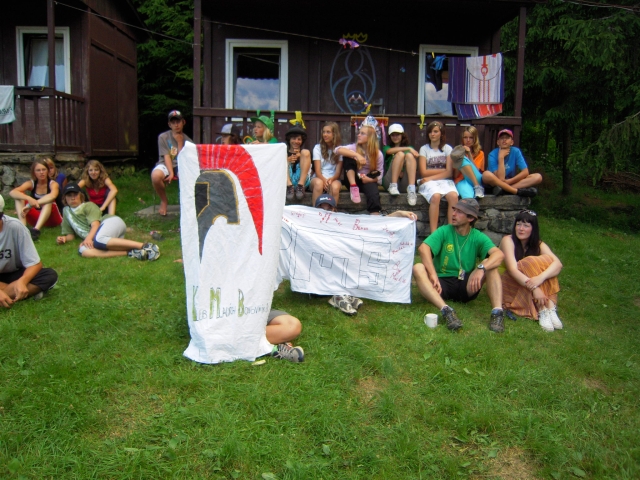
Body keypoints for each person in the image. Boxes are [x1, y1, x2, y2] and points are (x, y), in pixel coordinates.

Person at [412, 198, 506, 332]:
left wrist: (481, 268)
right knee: (418, 267)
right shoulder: (444, 230)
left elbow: (499, 255)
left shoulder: (477, 236)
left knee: (490, 264)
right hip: (441, 284)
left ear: (470, 218)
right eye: (454, 210)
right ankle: (446, 311)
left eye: (460, 212)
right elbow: (423, 248)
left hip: (466, 285)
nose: (454, 214)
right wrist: (432, 274)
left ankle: (497, 313)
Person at [315, 193, 418, 315]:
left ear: (334, 209)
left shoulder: (343, 223)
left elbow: (374, 224)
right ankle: (340, 295)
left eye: (329, 208)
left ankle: (343, 293)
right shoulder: (311, 225)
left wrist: (399, 214)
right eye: (322, 208)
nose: (325, 211)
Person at [56, 183, 160, 261]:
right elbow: (71, 235)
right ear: (65, 198)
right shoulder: (66, 211)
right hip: (101, 238)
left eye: (75, 194)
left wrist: (88, 238)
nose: (72, 198)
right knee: (83, 251)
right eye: (69, 195)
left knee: (98, 240)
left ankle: (146, 246)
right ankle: (132, 253)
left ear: (81, 195)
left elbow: (95, 224)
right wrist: (64, 238)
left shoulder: (88, 205)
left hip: (111, 222)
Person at [500, 209, 563, 332]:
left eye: (526, 225)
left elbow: (558, 264)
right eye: (518, 224)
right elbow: (512, 270)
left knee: (548, 262)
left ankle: (549, 307)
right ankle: (543, 309)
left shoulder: (538, 244)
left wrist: (540, 278)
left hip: (526, 282)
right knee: (529, 262)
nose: (521, 229)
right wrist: (535, 288)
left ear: (533, 229)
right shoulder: (508, 240)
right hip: (508, 282)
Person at [0, 194, 58, 308]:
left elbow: (35, 264)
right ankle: (20, 293)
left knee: (49, 275)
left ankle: (8, 293)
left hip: (14, 273)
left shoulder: (15, 227)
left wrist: (22, 281)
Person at [335, 116, 384, 214]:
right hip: (352, 179)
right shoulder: (354, 147)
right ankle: (353, 187)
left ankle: (375, 216)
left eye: (362, 133)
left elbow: (379, 176)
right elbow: (337, 150)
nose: (358, 135)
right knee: (348, 156)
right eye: (359, 133)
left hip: (367, 179)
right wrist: (356, 155)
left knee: (374, 194)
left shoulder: (378, 154)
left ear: (370, 137)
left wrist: (369, 180)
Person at [417, 121, 458, 235]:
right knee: (435, 196)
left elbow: (449, 172)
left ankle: (451, 232)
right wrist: (443, 170)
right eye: (430, 132)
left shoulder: (447, 149)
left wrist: (431, 176)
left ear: (441, 133)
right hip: (429, 182)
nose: (432, 134)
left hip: (444, 181)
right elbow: (423, 172)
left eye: (435, 131)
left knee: (454, 196)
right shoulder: (424, 149)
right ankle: (434, 234)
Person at [151, 110, 192, 216]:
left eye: (178, 122)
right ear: (169, 124)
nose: (176, 125)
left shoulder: (188, 141)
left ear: (183, 122)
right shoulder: (163, 137)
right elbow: (166, 156)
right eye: (173, 122)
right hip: (165, 163)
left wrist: (180, 142)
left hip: (181, 165)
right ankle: (164, 200)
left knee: (185, 176)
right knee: (155, 176)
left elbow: (183, 159)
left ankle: (185, 204)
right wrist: (171, 172)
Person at [10, 159, 63, 241]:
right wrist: (28, 198)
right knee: (19, 197)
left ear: (47, 171)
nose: (41, 172)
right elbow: (12, 192)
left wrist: (30, 205)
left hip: (53, 219)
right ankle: (23, 228)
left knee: (48, 200)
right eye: (38, 170)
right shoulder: (31, 183)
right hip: (37, 217)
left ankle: (35, 231)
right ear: (34, 172)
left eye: (44, 169)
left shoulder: (53, 184)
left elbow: (53, 196)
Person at [482, 129, 541, 197]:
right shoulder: (492, 154)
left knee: (538, 177)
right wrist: (501, 158)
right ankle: (514, 191)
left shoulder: (516, 151)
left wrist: (509, 181)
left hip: (509, 181)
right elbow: (501, 179)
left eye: (507, 138)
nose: (504, 140)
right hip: (496, 183)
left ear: (512, 142)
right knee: (486, 174)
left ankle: (505, 190)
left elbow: (525, 172)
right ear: (498, 142)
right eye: (502, 138)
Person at [382, 123, 419, 206]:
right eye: (393, 135)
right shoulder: (386, 147)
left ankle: (411, 189)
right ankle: (393, 185)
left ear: (402, 135)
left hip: (404, 182)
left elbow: (414, 162)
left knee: (409, 156)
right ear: (390, 137)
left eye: (397, 135)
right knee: (400, 154)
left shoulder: (410, 150)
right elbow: (389, 151)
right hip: (390, 182)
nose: (395, 137)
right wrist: (408, 148)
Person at [310, 122, 343, 208]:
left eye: (328, 132)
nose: (325, 134)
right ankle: (315, 210)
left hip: (333, 178)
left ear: (334, 134)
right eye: (324, 132)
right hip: (318, 177)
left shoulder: (340, 150)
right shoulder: (317, 148)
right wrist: (324, 180)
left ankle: (331, 212)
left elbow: (338, 172)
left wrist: (331, 180)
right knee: (319, 184)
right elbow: (317, 171)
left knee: (334, 187)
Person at [454, 126, 485, 199]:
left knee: (463, 158)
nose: (468, 140)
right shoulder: (457, 153)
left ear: (475, 139)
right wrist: (460, 156)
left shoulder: (480, 153)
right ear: (462, 139)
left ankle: (477, 187)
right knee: (468, 197)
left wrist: (469, 155)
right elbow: (455, 175)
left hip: (476, 179)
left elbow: (476, 171)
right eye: (465, 137)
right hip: (461, 180)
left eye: (471, 137)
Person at [285, 124, 312, 200]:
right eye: (294, 138)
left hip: (302, 182)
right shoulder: (285, 153)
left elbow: (312, 170)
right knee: (282, 154)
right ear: (289, 139)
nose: (296, 141)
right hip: (287, 181)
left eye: (299, 139)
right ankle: (289, 186)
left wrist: (301, 158)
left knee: (305, 152)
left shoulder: (305, 153)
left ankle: (300, 186)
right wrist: (287, 161)